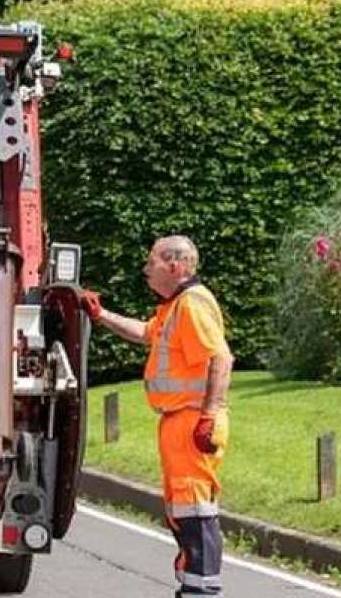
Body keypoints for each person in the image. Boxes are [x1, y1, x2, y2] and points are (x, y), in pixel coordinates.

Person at [79, 235, 233, 598]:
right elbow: (146, 333)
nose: (145, 269)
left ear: (174, 267)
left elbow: (221, 359)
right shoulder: (175, 306)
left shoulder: (192, 305)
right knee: (185, 507)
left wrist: (208, 416)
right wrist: (102, 316)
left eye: (152, 262)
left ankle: (202, 588)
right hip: (182, 420)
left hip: (193, 419)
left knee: (195, 508)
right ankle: (195, 584)